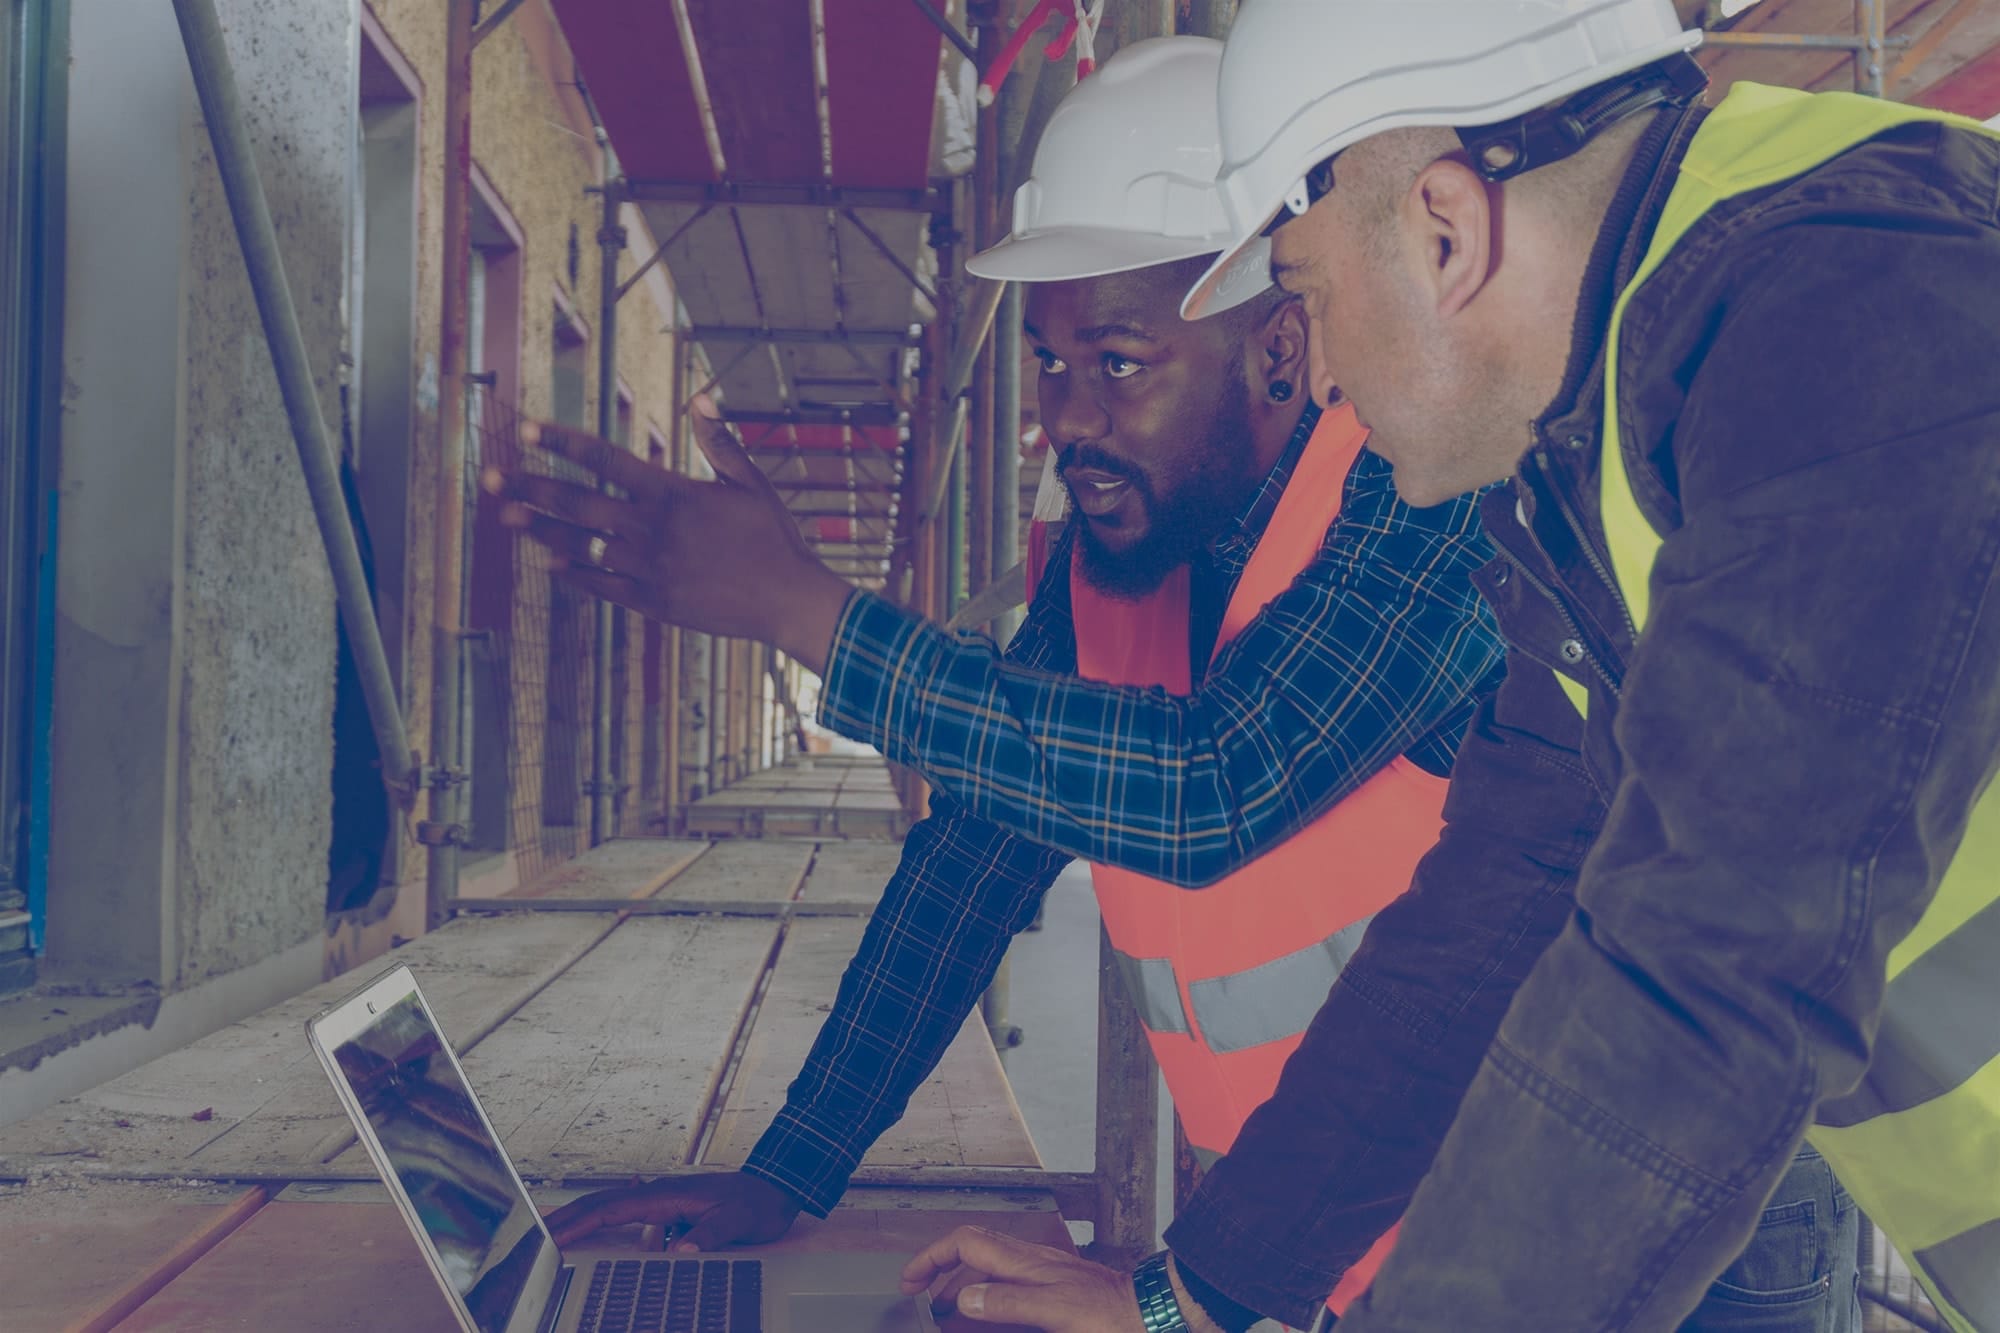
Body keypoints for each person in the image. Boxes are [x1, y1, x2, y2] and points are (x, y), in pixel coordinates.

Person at [901, 2, 2000, 1330]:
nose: (1315, 380)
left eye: (1301, 293)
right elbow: (1503, 896)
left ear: (1443, 231)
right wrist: (1194, 1293)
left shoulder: (1855, 310)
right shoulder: (1589, 459)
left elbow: (1706, 973)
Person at [506, 37, 1502, 1324]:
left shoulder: (1427, 502)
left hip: (1593, 1253)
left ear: (1277, 348)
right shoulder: (1113, 567)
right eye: (1047, 361)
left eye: (1120, 361)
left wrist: (805, 611)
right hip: (1312, 1266)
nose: (1066, 417)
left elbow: (1212, 780)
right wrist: (791, 1166)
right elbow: (967, 865)